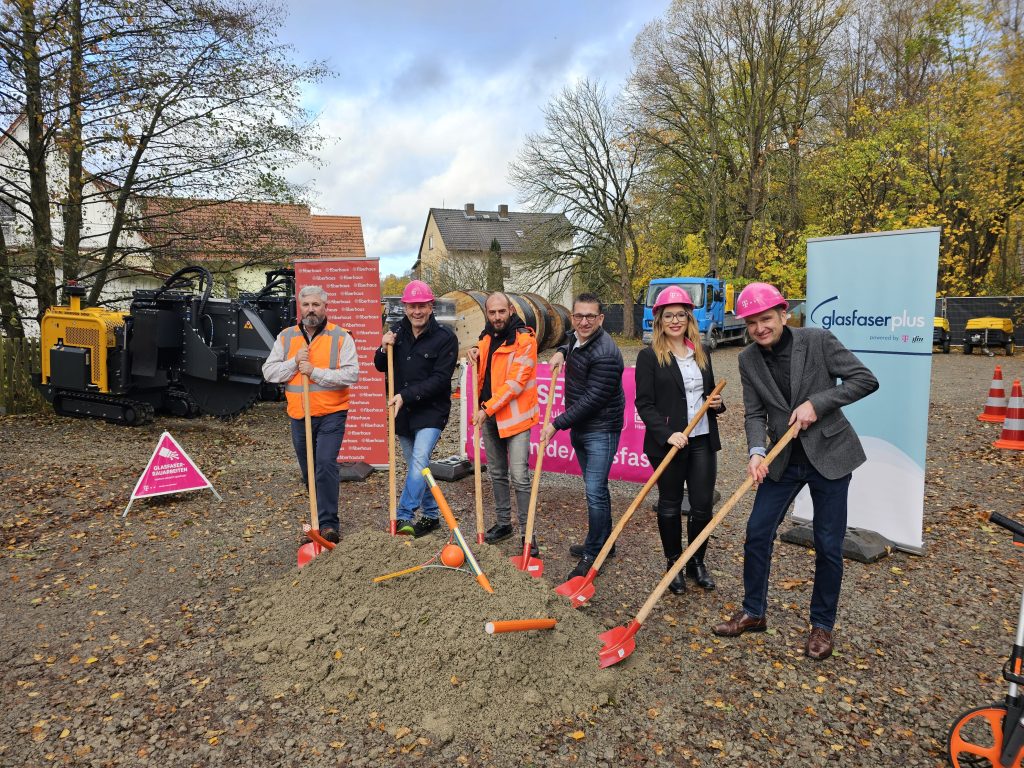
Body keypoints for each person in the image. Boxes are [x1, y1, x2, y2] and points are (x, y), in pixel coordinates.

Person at [712, 282, 879, 661]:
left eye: (766, 319)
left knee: (828, 543)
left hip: (830, 455)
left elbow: (865, 380)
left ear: (784, 314)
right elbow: (754, 412)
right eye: (751, 322)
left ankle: (822, 625)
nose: (759, 328)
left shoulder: (818, 341)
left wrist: (817, 404)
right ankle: (754, 612)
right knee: (756, 532)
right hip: (782, 459)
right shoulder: (747, 359)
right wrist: (756, 452)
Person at [635, 286, 724, 595]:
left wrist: (717, 404)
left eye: (680, 315)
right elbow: (643, 404)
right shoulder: (649, 357)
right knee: (670, 504)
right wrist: (666, 433)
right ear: (659, 320)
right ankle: (673, 563)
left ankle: (695, 561)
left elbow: (709, 394)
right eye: (668, 315)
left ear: (689, 318)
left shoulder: (702, 352)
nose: (675, 321)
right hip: (669, 443)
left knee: (702, 507)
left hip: (701, 440)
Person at [262, 285, 360, 543]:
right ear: (300, 308)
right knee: (309, 470)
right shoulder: (286, 337)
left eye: (316, 305)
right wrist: (294, 362)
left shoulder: (341, 337)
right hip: (299, 415)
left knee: (326, 464)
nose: (311, 310)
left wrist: (314, 371)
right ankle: (317, 518)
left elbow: (351, 375)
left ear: (325, 308)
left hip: (332, 414)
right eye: (306, 305)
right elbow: (269, 373)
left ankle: (328, 525)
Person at [540, 293, 625, 581]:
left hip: (601, 428)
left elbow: (592, 400)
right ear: (573, 317)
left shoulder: (607, 354)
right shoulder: (577, 337)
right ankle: (605, 543)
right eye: (579, 316)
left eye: (591, 316)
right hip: (583, 427)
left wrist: (556, 424)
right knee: (597, 489)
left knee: (594, 491)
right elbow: (570, 337)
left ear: (601, 319)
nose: (584, 321)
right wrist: (561, 351)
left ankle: (592, 553)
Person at [374, 280, 458, 537]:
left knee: (419, 460)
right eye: (412, 306)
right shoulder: (397, 333)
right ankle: (431, 515)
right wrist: (382, 346)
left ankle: (404, 516)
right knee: (418, 468)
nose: (417, 311)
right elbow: (379, 365)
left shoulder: (445, 338)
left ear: (431, 306)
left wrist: (404, 395)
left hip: (431, 411)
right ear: (406, 307)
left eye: (422, 306)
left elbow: (440, 380)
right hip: (404, 413)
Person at [466, 293, 540, 553]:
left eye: (501, 312)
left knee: (519, 477)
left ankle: (528, 534)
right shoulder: (486, 337)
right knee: (496, 473)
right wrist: (474, 351)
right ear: (487, 313)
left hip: (515, 420)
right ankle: (503, 523)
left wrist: (486, 409)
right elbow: (483, 369)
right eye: (492, 313)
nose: (497, 317)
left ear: (510, 310)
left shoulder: (525, 340)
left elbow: (516, 384)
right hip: (490, 418)